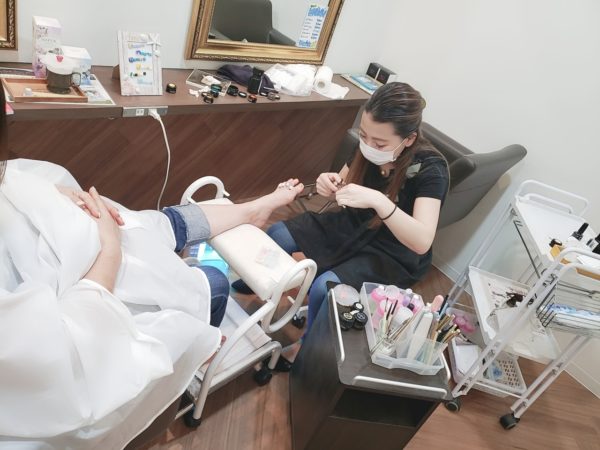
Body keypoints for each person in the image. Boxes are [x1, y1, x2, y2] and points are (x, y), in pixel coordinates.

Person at [0, 87, 303, 449]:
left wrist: (70, 197)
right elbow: (67, 343)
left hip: (79, 239)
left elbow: (18, 181)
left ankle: (254, 209)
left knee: (153, 223)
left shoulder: (9, 178)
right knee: (211, 280)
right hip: (89, 284)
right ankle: (199, 351)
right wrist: (109, 245)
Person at [251, 82, 450, 345]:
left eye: (379, 143)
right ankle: (257, 288)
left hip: (393, 250)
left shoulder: (431, 170)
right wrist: (328, 185)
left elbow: (422, 240)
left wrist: (380, 202)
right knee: (278, 234)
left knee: (325, 288)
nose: (368, 145)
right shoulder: (368, 147)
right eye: (364, 135)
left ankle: (310, 346)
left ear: (409, 139)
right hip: (354, 224)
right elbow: (342, 187)